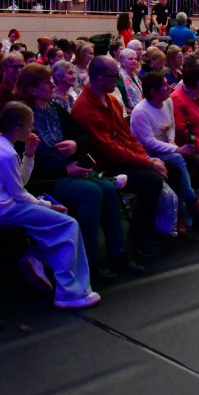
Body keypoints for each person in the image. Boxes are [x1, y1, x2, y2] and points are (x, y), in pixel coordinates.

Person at [15, 64, 141, 281]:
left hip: (66, 170)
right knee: (91, 192)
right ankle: (89, 260)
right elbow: (23, 159)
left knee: (108, 189)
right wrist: (64, 168)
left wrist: (75, 144)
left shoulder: (54, 109)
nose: (53, 85)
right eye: (47, 82)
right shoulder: (22, 117)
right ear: (33, 89)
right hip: (43, 178)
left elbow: (82, 135)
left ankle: (116, 252)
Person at [0, 102, 100, 308]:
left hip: (5, 205)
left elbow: (19, 183)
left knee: (62, 220)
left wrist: (29, 154)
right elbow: (19, 193)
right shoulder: (5, 153)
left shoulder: (4, 147)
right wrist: (47, 205)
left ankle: (35, 258)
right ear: (18, 129)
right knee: (69, 224)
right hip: (2, 210)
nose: (33, 129)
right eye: (30, 124)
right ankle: (69, 292)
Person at [72, 55, 165, 256]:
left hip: (119, 158)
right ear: (99, 79)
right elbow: (108, 150)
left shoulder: (112, 100)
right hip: (102, 165)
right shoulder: (84, 109)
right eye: (115, 76)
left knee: (169, 169)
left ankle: (159, 226)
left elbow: (126, 136)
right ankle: (138, 236)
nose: (118, 79)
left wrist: (146, 157)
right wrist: (146, 161)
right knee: (151, 181)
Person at [131, 71, 199, 224]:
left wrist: (171, 141)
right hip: (145, 152)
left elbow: (171, 125)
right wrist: (175, 149)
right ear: (153, 92)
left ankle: (194, 203)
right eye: (164, 86)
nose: (169, 87)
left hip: (164, 145)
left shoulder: (168, 102)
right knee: (178, 158)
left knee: (187, 158)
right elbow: (149, 142)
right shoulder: (140, 112)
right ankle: (191, 203)